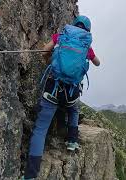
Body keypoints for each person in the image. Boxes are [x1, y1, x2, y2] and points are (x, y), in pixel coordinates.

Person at [22, 15, 100, 179]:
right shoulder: (86, 43)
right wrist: (88, 55)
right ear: (88, 28)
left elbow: (44, 50)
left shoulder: (62, 36)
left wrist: (50, 60)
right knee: (74, 110)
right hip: (71, 92)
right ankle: (72, 140)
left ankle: (30, 174)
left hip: (53, 88)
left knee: (41, 130)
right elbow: (97, 62)